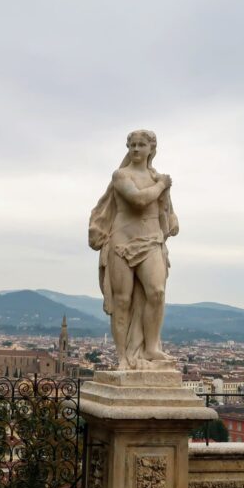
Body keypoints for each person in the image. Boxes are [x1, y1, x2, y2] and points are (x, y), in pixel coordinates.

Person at [88, 129, 178, 370]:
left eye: (141, 145)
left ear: (151, 149)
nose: (136, 149)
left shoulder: (158, 178)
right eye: (132, 145)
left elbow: (169, 216)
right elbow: (138, 199)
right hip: (121, 243)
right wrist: (162, 186)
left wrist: (169, 213)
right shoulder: (121, 175)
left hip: (151, 241)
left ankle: (150, 348)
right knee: (122, 301)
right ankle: (122, 358)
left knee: (156, 292)